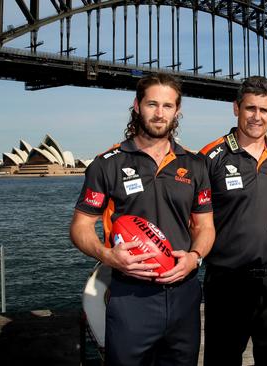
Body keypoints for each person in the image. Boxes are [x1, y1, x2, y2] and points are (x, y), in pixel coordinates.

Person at [69, 73, 215, 366]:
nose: (159, 114)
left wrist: (195, 257)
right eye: (152, 104)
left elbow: (205, 227)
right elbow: (80, 227)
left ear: (178, 110)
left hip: (184, 293)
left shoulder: (195, 164)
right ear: (136, 106)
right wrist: (108, 255)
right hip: (131, 296)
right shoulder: (107, 164)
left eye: (168, 106)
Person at [198, 76, 267, 366]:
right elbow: (193, 218)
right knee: (222, 360)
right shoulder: (209, 157)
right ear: (236, 108)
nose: (257, 117)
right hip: (228, 281)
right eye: (250, 108)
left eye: (264, 110)